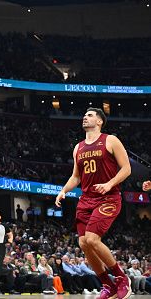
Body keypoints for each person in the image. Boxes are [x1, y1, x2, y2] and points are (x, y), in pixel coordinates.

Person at [55, 108, 132, 299]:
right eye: (84, 115)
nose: (85, 117)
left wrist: (109, 184)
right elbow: (76, 177)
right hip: (86, 199)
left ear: (99, 121)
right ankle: (108, 285)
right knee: (83, 243)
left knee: (91, 239)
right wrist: (63, 190)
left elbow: (127, 168)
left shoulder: (110, 140)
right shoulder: (78, 147)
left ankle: (122, 279)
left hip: (108, 197)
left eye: (90, 115)